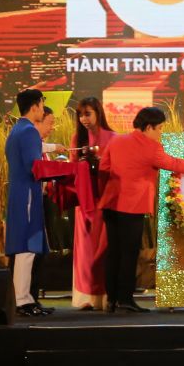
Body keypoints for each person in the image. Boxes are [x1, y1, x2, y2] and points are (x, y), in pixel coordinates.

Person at [98, 106, 184, 313]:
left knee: (114, 252)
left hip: (111, 203)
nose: (160, 133)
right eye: (159, 128)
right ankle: (125, 300)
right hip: (132, 206)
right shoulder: (151, 147)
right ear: (149, 127)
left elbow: (104, 168)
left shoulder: (116, 141)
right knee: (129, 254)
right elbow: (173, 163)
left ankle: (111, 300)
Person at [5, 88, 51, 318]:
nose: (43, 109)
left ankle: (25, 298)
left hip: (18, 193)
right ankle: (22, 300)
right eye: (42, 105)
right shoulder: (30, 131)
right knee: (27, 248)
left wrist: (53, 148)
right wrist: (63, 171)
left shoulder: (17, 130)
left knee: (24, 248)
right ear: (34, 106)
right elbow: (35, 166)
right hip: (28, 195)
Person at [69, 97, 115, 311]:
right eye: (80, 114)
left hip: (106, 200)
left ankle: (105, 297)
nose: (83, 119)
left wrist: (99, 165)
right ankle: (85, 297)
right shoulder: (76, 139)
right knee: (85, 251)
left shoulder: (113, 138)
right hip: (84, 202)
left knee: (103, 249)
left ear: (98, 113)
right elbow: (72, 169)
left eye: (87, 114)